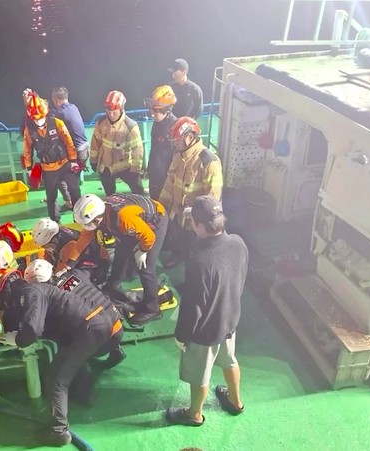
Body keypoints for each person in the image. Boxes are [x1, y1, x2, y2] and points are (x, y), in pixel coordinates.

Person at [0, 269, 123, 446]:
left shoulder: (32, 291)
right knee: (70, 359)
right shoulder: (44, 289)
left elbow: (33, 330)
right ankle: (84, 394)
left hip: (89, 328)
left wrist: (17, 339)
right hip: (103, 324)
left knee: (56, 379)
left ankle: (58, 431)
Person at [165, 195, 248, 426]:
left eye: (193, 222)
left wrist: (182, 335)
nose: (191, 225)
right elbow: (240, 278)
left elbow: (194, 306)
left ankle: (194, 414)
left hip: (205, 331)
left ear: (200, 226)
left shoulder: (200, 260)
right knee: (230, 360)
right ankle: (235, 400)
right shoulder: (238, 243)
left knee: (200, 374)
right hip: (230, 319)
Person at [69, 193, 168, 325]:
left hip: (155, 222)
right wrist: (70, 263)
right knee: (122, 253)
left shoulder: (123, 218)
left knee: (145, 268)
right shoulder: (100, 213)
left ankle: (153, 309)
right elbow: (85, 237)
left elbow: (148, 236)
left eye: (90, 222)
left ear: (98, 217)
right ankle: (112, 285)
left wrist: (142, 251)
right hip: (136, 222)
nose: (89, 226)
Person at [23, 259, 126, 370]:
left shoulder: (48, 296)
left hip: (99, 338)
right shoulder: (75, 273)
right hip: (117, 324)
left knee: (61, 328)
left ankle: (80, 370)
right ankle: (115, 350)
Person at [158, 117, 222, 266]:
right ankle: (178, 254)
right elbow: (170, 182)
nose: (175, 144)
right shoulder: (178, 156)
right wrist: (161, 205)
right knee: (178, 238)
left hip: (196, 221)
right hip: (177, 213)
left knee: (195, 254)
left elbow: (213, 197)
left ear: (190, 137)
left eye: (178, 140)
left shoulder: (208, 161)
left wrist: (197, 216)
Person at [22, 94, 82, 223]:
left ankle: (79, 218)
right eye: (35, 119)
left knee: (75, 190)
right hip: (48, 167)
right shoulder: (29, 129)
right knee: (51, 196)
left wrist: (73, 161)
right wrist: (28, 167)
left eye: (40, 118)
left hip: (65, 163)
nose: (38, 121)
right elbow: (27, 149)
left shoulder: (57, 123)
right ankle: (55, 222)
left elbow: (68, 142)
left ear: (46, 113)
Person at [90, 90, 145, 195]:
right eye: (108, 110)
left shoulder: (130, 126)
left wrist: (135, 170)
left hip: (124, 165)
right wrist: (93, 160)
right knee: (110, 195)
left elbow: (137, 150)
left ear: (121, 108)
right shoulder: (101, 123)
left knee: (138, 191)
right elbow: (95, 143)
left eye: (114, 111)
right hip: (105, 165)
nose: (111, 114)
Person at [31, 218, 110, 283]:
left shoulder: (68, 246)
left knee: (67, 279)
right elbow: (48, 256)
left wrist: (49, 280)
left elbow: (62, 269)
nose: (44, 248)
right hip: (81, 258)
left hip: (97, 264)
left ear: (52, 241)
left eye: (45, 246)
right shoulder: (58, 234)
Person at [146, 85, 178, 201]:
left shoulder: (175, 128)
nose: (152, 114)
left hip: (168, 179)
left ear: (167, 109)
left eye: (156, 111)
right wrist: (150, 168)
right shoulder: (157, 123)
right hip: (155, 175)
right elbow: (154, 149)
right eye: (151, 110)